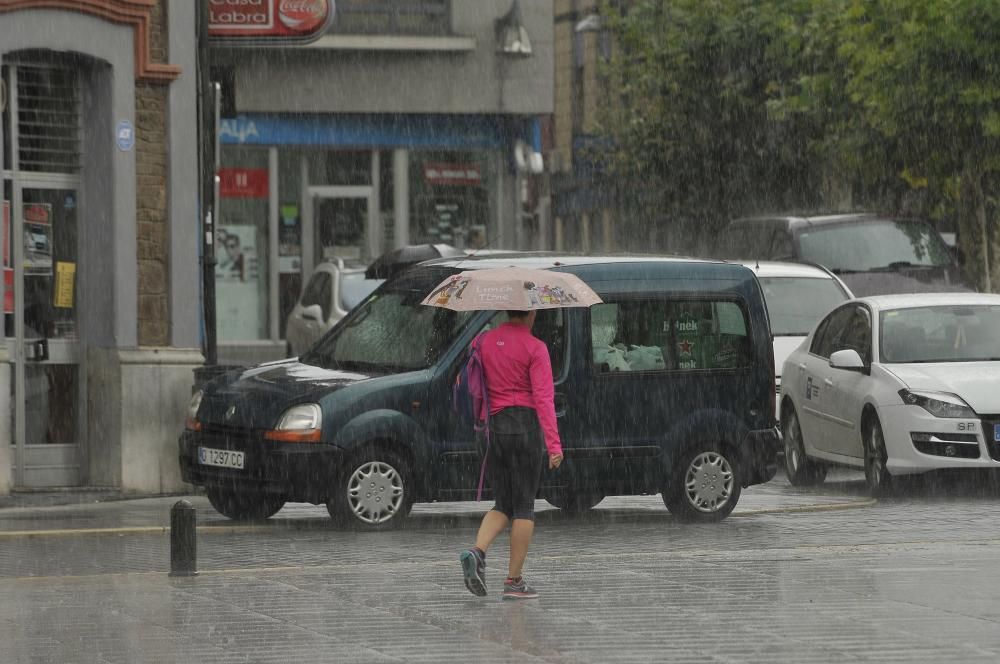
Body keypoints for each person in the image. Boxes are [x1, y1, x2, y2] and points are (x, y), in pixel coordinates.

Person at [459, 309, 564, 600]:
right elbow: (543, 398)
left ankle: (476, 551)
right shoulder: (535, 347)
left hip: (493, 430)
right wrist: (554, 445)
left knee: (502, 502)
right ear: (531, 313)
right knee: (524, 506)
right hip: (525, 430)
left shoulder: (484, 341)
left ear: (507, 311)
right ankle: (514, 580)